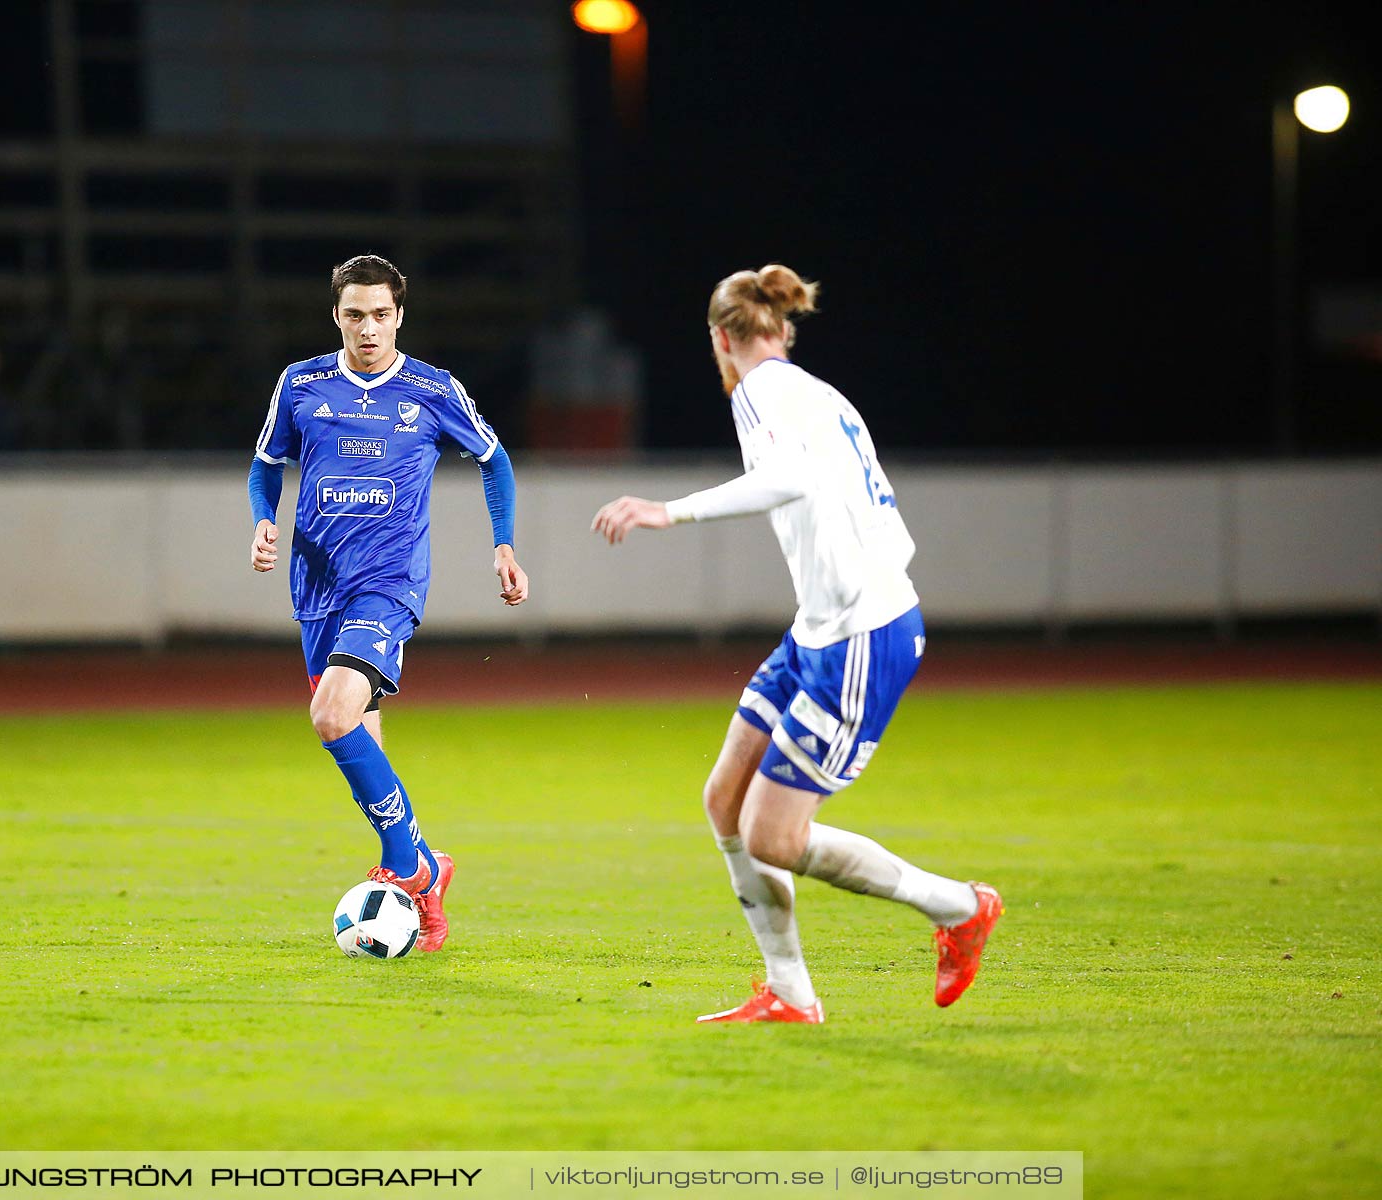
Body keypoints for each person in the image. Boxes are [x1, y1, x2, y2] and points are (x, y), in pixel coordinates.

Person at [591, 263, 1000, 1023]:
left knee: (772, 836)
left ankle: (959, 907)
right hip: (823, 625)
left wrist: (668, 511)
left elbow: (789, 480)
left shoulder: (762, 392)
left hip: (859, 635)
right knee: (724, 800)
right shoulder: (822, 394)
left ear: (720, 339)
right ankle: (788, 990)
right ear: (783, 327)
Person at [248, 255, 529, 952]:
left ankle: (412, 865)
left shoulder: (432, 390)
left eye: (380, 315)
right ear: (336, 316)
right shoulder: (302, 383)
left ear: (399, 315)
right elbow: (266, 463)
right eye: (354, 315)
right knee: (354, 732)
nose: (367, 328)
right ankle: (428, 879)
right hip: (315, 586)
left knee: (330, 714)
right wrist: (263, 518)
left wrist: (504, 545)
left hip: (388, 583)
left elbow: (493, 459)